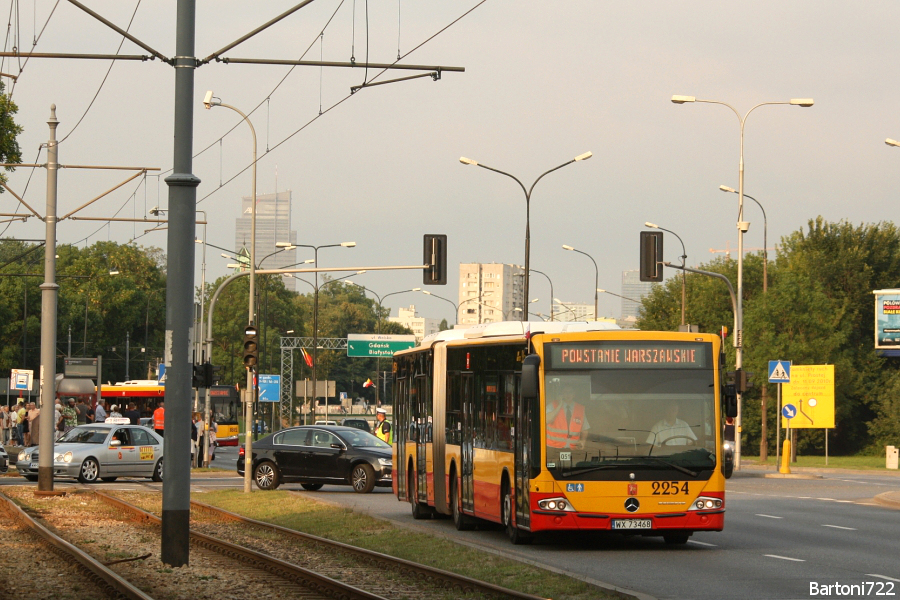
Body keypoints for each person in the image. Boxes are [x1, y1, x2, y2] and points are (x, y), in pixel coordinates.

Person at [545, 382, 590, 450]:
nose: (568, 394)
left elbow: (585, 429)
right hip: (553, 447)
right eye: (565, 392)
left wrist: (583, 441)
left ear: (574, 394)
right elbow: (546, 420)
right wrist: (560, 405)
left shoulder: (580, 409)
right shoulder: (552, 405)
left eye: (570, 392)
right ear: (561, 394)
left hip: (573, 448)